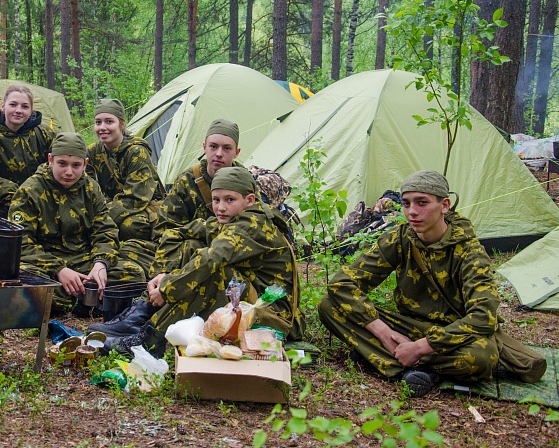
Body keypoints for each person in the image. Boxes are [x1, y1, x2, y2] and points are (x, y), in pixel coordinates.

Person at [317, 170, 515, 397]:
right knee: (328, 305)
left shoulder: (469, 251)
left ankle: (390, 359)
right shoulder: (400, 238)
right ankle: (411, 363)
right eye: (406, 203)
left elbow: (484, 317)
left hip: (450, 335)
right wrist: (382, 332)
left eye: (422, 203)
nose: (412, 212)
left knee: (482, 357)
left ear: (445, 205)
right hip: (406, 327)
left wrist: (420, 347)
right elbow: (342, 284)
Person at [98, 166, 305, 358]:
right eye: (216, 200)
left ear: (249, 200)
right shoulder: (238, 217)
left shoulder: (250, 225)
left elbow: (211, 260)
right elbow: (180, 232)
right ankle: (147, 319)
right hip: (255, 302)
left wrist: (167, 288)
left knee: (213, 271)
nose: (221, 207)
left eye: (229, 200)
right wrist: (163, 273)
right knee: (192, 247)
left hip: (271, 315)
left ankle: (150, 340)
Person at [8, 132, 146, 312]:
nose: (69, 172)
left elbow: (104, 231)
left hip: (83, 260)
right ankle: (85, 299)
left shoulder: (90, 188)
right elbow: (20, 242)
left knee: (133, 273)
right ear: (50, 160)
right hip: (46, 264)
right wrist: (59, 269)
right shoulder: (30, 191)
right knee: (25, 279)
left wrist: (100, 264)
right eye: (62, 164)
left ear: (85, 164)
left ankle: (79, 297)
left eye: (76, 165)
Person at [87, 98, 166, 241]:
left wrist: (101, 217)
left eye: (109, 122)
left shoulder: (136, 152)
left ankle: (144, 248)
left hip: (145, 206)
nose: (102, 127)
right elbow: (86, 186)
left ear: (121, 125)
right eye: (98, 122)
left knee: (129, 226)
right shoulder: (93, 151)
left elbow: (136, 197)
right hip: (114, 204)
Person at [155, 118, 242, 235]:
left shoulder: (244, 182)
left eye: (226, 148)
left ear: (236, 152)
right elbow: (165, 229)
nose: (219, 154)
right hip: (192, 246)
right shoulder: (186, 181)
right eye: (213, 146)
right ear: (204, 147)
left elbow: (256, 223)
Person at [0, 83, 55, 215]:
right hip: (6, 198)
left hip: (40, 194)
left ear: (31, 111)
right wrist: (16, 192)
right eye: (13, 105)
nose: (18, 110)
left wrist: (36, 188)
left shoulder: (44, 134)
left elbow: (57, 163)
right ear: (3, 106)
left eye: (25, 106)